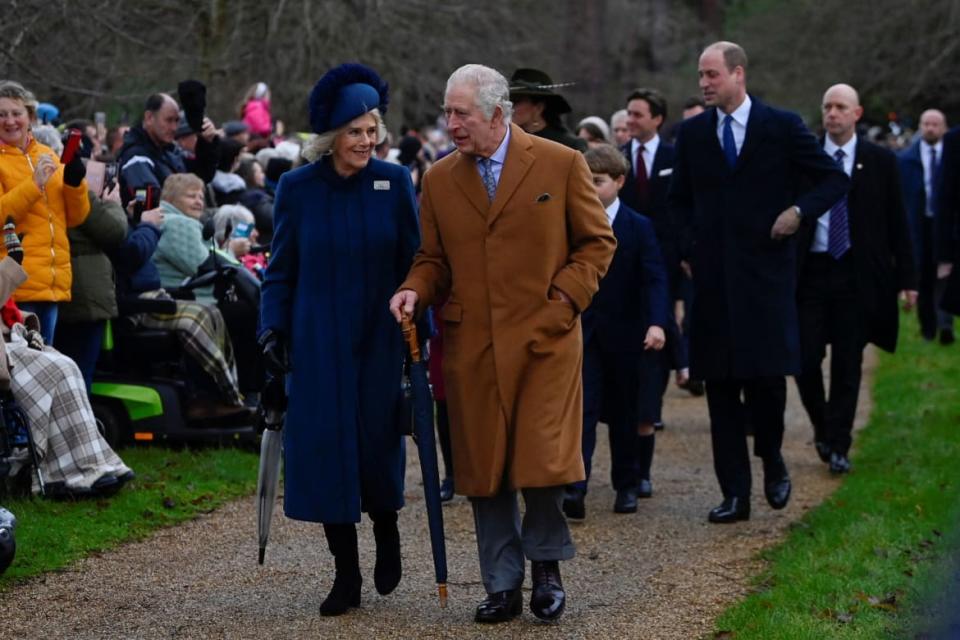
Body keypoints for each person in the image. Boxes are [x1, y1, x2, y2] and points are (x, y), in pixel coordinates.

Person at [389, 63, 615, 624]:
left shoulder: (561, 164)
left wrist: (563, 300)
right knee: (484, 468)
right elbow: (433, 260)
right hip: (474, 344)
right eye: (448, 112)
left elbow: (595, 243)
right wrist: (414, 291)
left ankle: (546, 570)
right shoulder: (439, 178)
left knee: (541, 462)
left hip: (545, 339)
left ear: (496, 113)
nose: (451, 124)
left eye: (460, 113)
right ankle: (502, 582)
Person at [259, 63, 420, 617]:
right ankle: (345, 572)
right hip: (318, 337)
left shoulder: (394, 183)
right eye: (356, 131)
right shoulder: (297, 188)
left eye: (373, 130)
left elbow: (415, 261)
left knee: (377, 440)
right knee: (327, 449)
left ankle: (388, 526)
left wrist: (417, 312)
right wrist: (271, 330)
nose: (366, 141)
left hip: (379, 335)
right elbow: (280, 268)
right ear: (331, 137)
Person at [668, 42, 848, 524]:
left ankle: (771, 458)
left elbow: (832, 180)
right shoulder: (692, 134)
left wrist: (797, 212)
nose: (704, 83)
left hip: (766, 280)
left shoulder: (782, 127)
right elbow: (677, 201)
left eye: (711, 75)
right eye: (700, 75)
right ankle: (735, 494)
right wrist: (689, 248)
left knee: (767, 383)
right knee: (721, 391)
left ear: (737, 74)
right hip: (713, 284)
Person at [795, 84, 917, 474]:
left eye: (840, 107)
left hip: (856, 272)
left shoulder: (878, 160)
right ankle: (822, 425)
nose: (832, 113)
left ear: (857, 114)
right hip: (811, 271)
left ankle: (840, 444)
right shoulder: (806, 158)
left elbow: (899, 221)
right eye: (827, 106)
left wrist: (908, 279)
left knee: (848, 362)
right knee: (804, 357)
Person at [563, 144, 668, 520]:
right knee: (583, 410)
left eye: (599, 181)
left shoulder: (638, 226)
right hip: (584, 333)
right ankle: (575, 486)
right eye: (586, 181)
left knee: (624, 413)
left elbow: (655, 277)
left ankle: (627, 484)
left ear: (620, 182)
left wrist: (657, 322)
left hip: (627, 335)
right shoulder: (572, 222)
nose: (591, 188)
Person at [0, 80, 90, 344]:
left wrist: (75, 183)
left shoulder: (48, 154)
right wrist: (34, 184)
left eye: (16, 113)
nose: (10, 121)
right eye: (2, 115)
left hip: (52, 286)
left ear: (30, 117)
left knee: (44, 374)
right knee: (17, 379)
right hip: (13, 288)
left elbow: (76, 217)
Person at [898, 109, 953, 344]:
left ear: (944, 128)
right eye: (926, 124)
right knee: (923, 278)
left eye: (935, 124)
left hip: (945, 225)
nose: (930, 128)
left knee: (946, 274)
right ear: (920, 126)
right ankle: (928, 329)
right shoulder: (906, 160)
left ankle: (945, 325)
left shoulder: (952, 157)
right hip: (918, 226)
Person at [116, 92, 219, 207]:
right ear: (149, 117)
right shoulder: (136, 158)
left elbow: (200, 177)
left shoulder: (169, 152)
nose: (175, 128)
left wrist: (206, 142)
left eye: (177, 121)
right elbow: (146, 200)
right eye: (169, 120)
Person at [154, 173, 210, 295]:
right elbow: (204, 268)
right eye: (191, 196)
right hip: (189, 298)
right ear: (171, 198)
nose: (199, 202)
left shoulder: (162, 219)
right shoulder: (178, 223)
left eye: (201, 197)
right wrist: (231, 250)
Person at [508, 68, 588, 152]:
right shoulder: (505, 141)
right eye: (508, 100)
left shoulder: (571, 145)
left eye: (516, 101)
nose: (509, 106)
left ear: (539, 108)